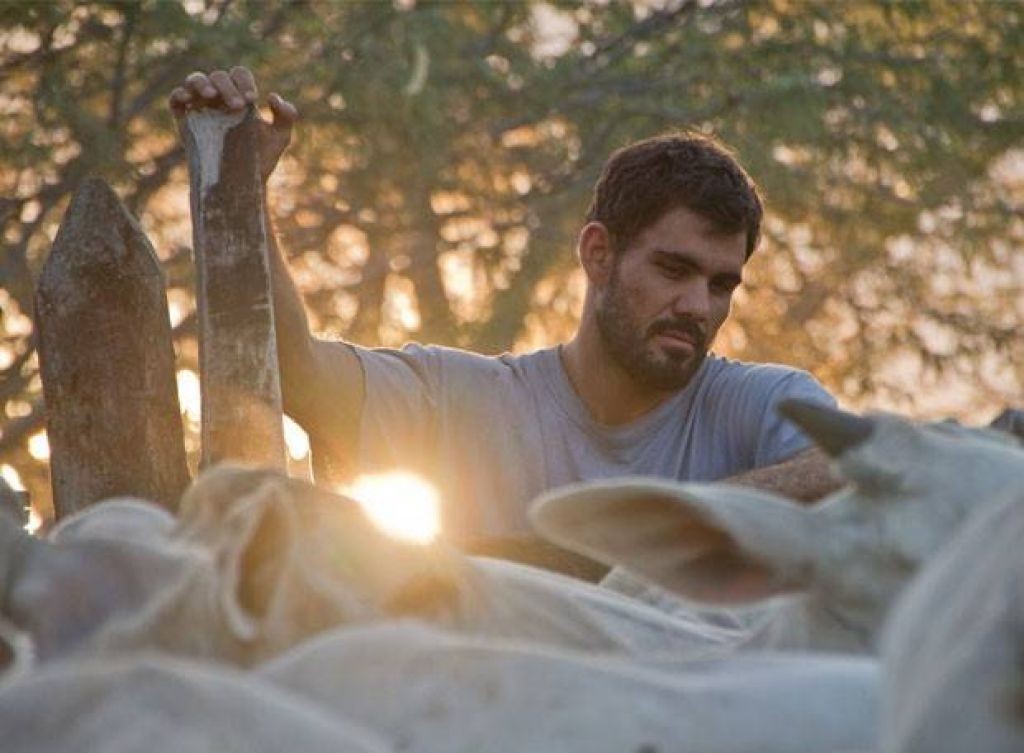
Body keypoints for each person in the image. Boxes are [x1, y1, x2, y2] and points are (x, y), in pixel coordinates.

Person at [169, 67, 840, 547]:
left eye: (722, 285)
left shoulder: (760, 404)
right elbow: (298, 375)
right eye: (674, 269)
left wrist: (656, 535)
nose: (697, 305)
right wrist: (243, 194)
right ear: (598, 254)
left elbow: (848, 471)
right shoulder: (470, 400)